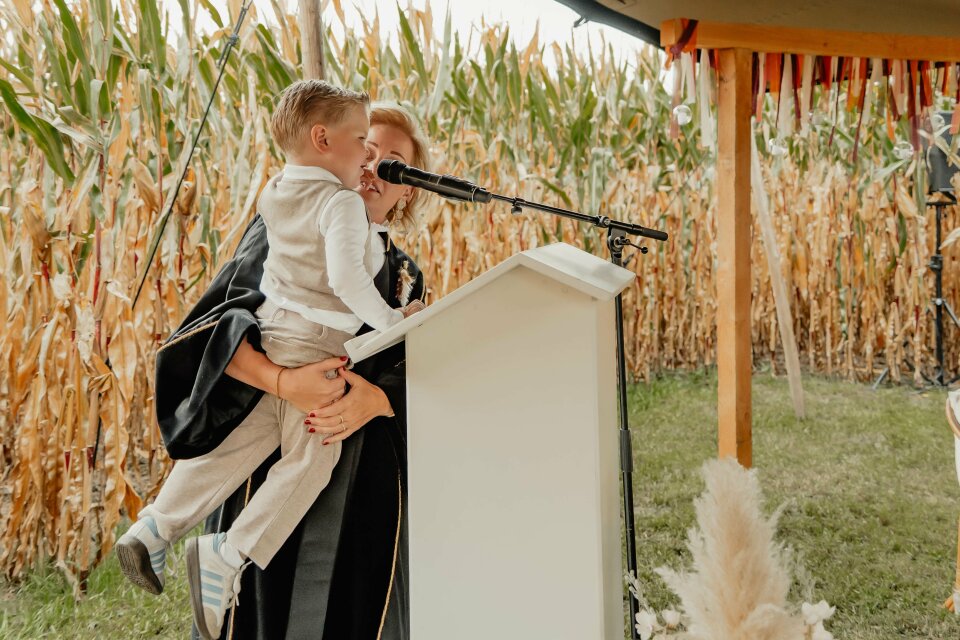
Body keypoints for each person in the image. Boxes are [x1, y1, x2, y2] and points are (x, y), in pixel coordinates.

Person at [118, 80, 427, 639]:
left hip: (363, 488)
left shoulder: (407, 276)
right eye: (370, 147)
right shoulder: (290, 225)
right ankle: (215, 554)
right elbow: (218, 326)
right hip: (268, 462)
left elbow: (419, 374)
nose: (374, 165)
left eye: (394, 163)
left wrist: (375, 398)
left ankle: (166, 532)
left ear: (407, 189)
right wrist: (284, 382)